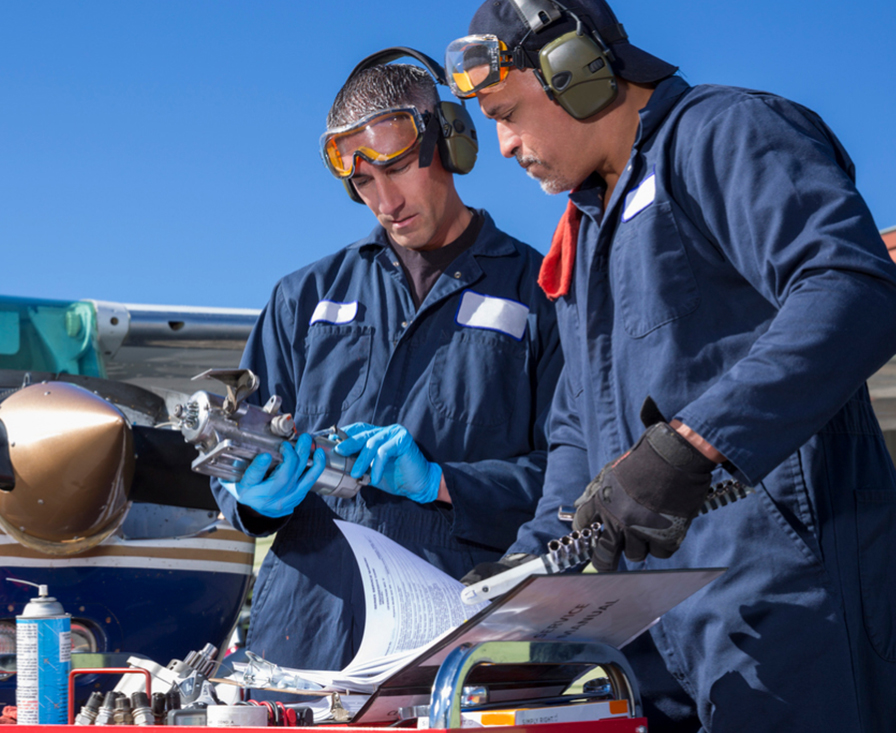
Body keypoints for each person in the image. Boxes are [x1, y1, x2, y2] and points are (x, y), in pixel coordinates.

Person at [447, 1, 896, 731]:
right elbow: (574, 433)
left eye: (505, 114)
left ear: (574, 75)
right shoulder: (586, 235)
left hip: (790, 615)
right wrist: (526, 565)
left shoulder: (726, 134)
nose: (501, 146)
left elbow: (853, 288)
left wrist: (695, 440)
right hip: (655, 644)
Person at [210, 49, 564, 678]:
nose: (385, 199)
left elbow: (571, 477)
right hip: (304, 642)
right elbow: (234, 453)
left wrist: (442, 482)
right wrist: (253, 495)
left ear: (450, 142)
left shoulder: (539, 295)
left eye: (397, 168)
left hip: (456, 645)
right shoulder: (305, 299)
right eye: (364, 183)